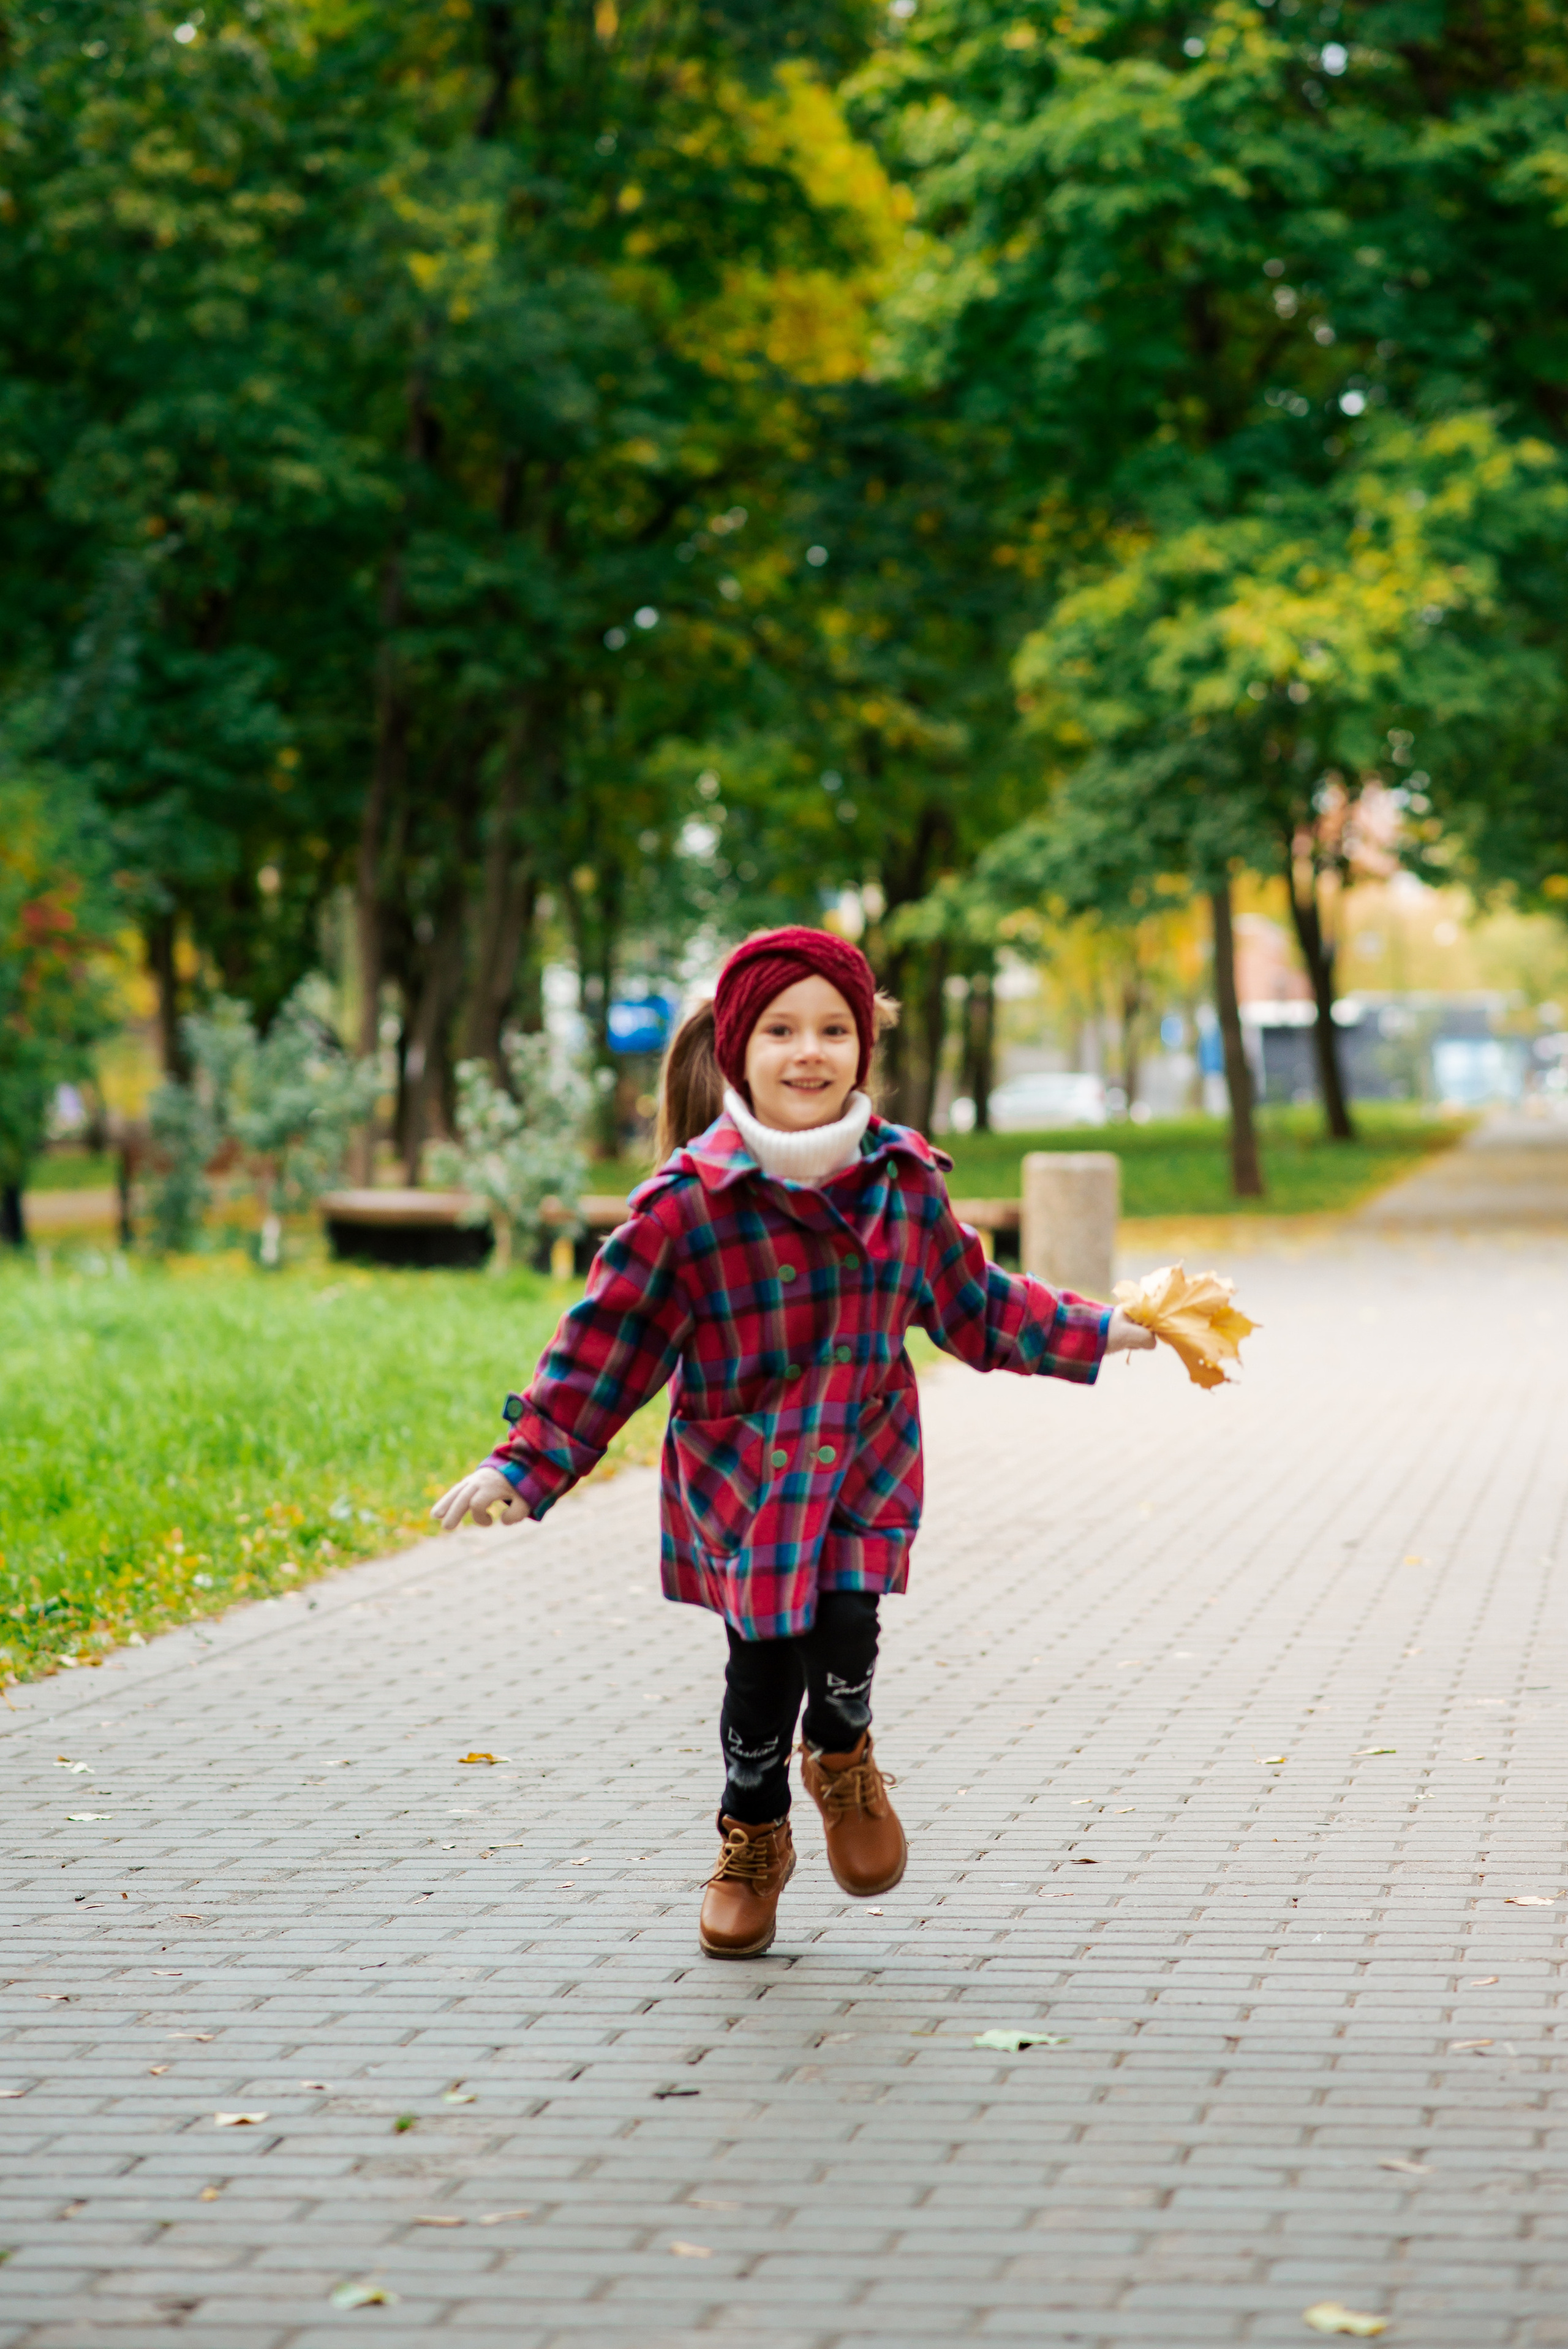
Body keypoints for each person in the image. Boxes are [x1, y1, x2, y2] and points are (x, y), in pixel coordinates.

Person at [432, 926, 1156, 1958]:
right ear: (738, 1050)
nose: (807, 1050)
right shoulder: (685, 1207)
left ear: (863, 1048)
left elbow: (982, 1308)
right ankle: (754, 1824)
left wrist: (1117, 1327)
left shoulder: (903, 1187)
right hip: (745, 1482)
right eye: (780, 1029)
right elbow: (609, 1348)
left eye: (831, 1028)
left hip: (863, 1463)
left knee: (848, 1634)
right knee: (763, 1660)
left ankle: (845, 1753)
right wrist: (525, 1462)